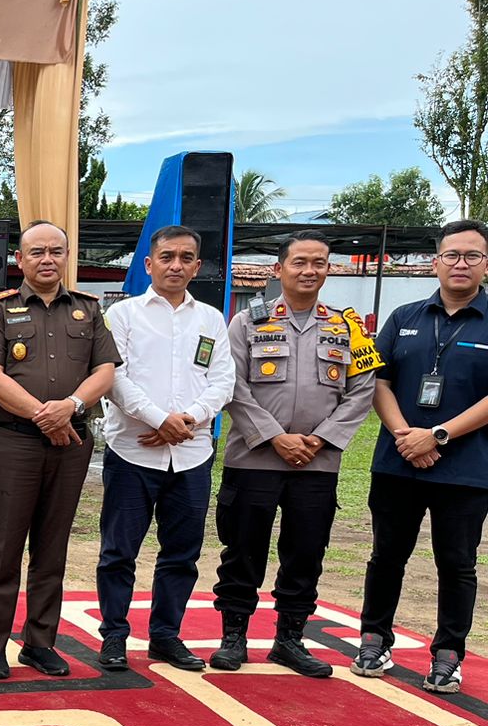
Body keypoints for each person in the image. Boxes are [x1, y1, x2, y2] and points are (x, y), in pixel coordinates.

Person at [210, 230, 375, 677]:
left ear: (329, 269)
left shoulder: (348, 327)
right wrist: (273, 436)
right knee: (243, 549)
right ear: (278, 269)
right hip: (255, 458)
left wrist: (320, 439)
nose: (309, 270)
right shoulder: (247, 322)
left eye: (318, 262)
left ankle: (289, 639)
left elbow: (362, 391)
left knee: (306, 551)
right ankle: (234, 636)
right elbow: (232, 385)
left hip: (317, 464)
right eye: (299, 262)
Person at [0, 221, 119, 680]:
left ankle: (40, 643)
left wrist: (71, 407)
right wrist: (45, 416)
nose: (47, 259)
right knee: (3, 550)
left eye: (56, 251)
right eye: (37, 252)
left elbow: (106, 370)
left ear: (67, 256)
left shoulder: (89, 311)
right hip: (15, 443)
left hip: (71, 445)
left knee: (52, 549)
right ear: (21, 259)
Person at [352, 219, 488, 694]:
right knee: (387, 555)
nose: (460, 263)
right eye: (452, 254)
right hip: (398, 460)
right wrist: (404, 434)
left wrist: (439, 435)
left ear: (485, 264)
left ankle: (448, 654)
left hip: (466, 470)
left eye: (472, 255)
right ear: (435, 262)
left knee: (457, 562)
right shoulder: (404, 316)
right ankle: (374, 638)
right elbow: (377, 380)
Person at [96, 225, 235, 672]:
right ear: (148, 264)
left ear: (197, 265)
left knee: (182, 552)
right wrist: (160, 420)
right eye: (168, 256)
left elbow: (222, 380)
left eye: (186, 257)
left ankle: (165, 636)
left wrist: (186, 422)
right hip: (134, 450)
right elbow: (115, 378)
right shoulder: (124, 316)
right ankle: (114, 637)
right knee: (119, 551)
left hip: (191, 454)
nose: (176, 265)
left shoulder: (211, 318)